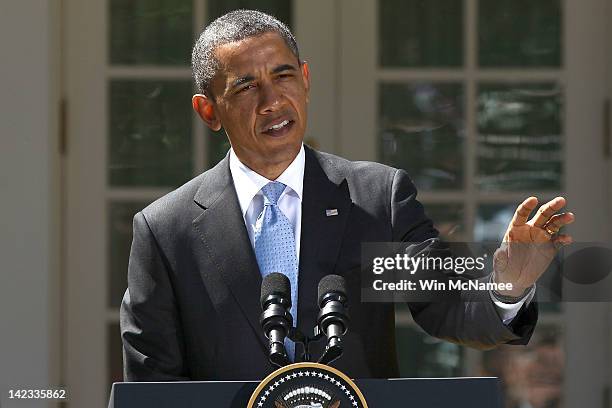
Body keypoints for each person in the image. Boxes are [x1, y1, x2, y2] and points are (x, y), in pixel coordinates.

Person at [120, 9, 575, 381]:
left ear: (305, 79)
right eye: (245, 86)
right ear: (208, 110)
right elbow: (153, 383)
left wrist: (509, 284)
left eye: (283, 77)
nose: (272, 101)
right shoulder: (165, 229)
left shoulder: (377, 197)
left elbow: (447, 309)